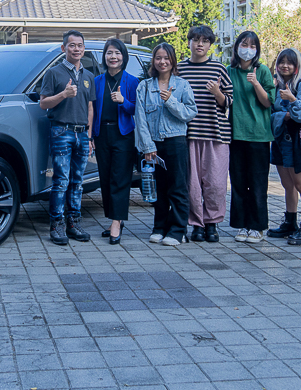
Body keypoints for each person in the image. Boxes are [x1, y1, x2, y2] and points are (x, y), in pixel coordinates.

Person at [135, 43, 198, 247]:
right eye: (158, 58)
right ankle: (159, 227)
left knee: (178, 187)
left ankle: (178, 230)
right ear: (153, 61)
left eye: (166, 58)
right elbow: (140, 119)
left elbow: (190, 113)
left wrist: (171, 100)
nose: (162, 62)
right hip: (153, 144)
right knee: (158, 188)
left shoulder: (182, 85)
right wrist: (147, 146)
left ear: (173, 61)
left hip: (176, 142)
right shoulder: (144, 86)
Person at [177, 25, 233, 243]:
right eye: (196, 40)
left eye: (205, 41)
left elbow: (228, 101)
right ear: (189, 42)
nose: (200, 44)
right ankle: (196, 224)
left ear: (210, 45)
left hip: (216, 135)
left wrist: (217, 92)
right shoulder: (180, 68)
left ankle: (212, 223)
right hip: (188, 135)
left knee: (216, 183)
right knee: (192, 184)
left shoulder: (219, 69)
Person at [39, 30, 95, 246]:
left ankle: (74, 222)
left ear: (84, 48)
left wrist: (89, 135)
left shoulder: (89, 76)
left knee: (77, 181)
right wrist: (63, 95)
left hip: (82, 133)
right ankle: (57, 224)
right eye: (72, 45)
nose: (76, 49)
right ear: (63, 49)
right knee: (61, 180)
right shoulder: (54, 73)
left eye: (80, 45)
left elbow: (90, 107)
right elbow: (43, 103)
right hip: (61, 132)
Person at [227, 31, 275, 243]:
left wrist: (256, 83)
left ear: (257, 50)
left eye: (252, 45)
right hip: (235, 135)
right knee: (238, 183)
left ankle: (257, 226)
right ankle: (241, 225)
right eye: (244, 44)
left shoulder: (262, 71)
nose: (247, 49)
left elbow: (267, 102)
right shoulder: (229, 71)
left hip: (258, 137)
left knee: (257, 183)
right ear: (236, 47)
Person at [266, 48, 301, 244]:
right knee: (287, 185)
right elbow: (272, 115)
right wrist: (283, 116)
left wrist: (293, 100)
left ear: (297, 66)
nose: (285, 65)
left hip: (297, 142)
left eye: (290, 62)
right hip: (280, 141)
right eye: (281, 62)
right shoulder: (276, 86)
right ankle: (290, 221)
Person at [93, 39, 139, 245]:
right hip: (102, 134)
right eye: (109, 53)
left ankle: (116, 223)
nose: (113, 57)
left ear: (124, 57)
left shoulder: (131, 80)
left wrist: (124, 101)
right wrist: (92, 135)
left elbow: (138, 110)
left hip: (123, 135)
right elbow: (91, 110)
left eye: (117, 53)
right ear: (104, 56)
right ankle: (115, 217)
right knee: (105, 178)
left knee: (120, 178)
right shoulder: (97, 81)